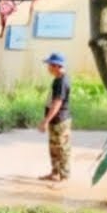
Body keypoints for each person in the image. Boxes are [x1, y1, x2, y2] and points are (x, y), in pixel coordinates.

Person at [37, 52, 72, 181]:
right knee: (54, 148)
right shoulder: (58, 79)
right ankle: (55, 173)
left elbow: (57, 103)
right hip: (56, 121)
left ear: (57, 66)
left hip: (60, 121)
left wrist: (46, 121)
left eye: (50, 65)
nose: (48, 68)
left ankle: (64, 175)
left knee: (62, 148)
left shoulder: (62, 81)